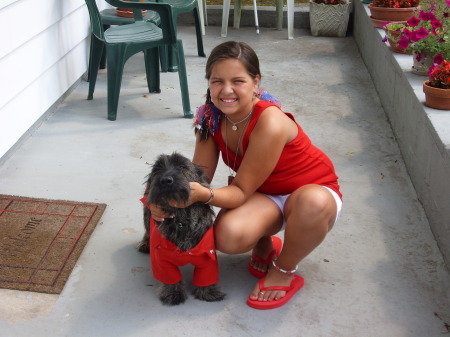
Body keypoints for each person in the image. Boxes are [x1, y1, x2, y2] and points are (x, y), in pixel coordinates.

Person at [150, 41, 342, 310]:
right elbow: (198, 179)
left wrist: (205, 195)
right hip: (261, 191)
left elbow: (232, 192)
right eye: (217, 81)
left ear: (256, 82)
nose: (226, 90)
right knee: (228, 236)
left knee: (312, 203)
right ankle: (265, 238)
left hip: (312, 189)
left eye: (237, 81)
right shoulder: (209, 119)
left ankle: (284, 270)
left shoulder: (269, 121)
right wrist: (162, 201)